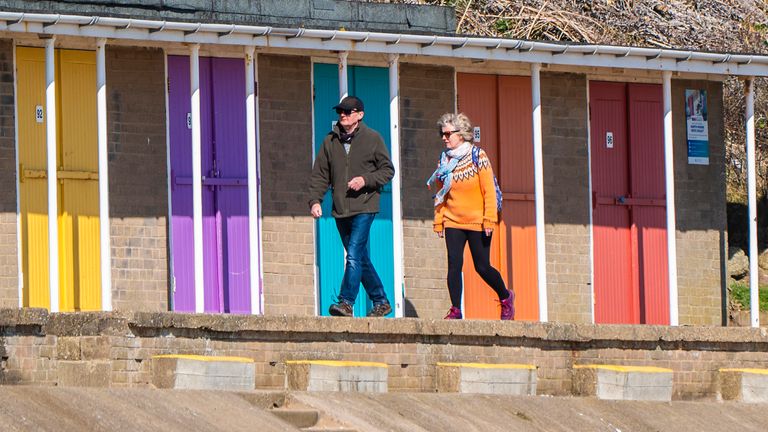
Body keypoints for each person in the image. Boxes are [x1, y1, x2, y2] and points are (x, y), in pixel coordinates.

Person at [308, 96, 395, 318]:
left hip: (365, 207)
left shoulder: (373, 138)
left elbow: (388, 170)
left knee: (353, 255)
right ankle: (381, 301)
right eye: (340, 112)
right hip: (340, 209)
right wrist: (316, 200)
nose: (343, 115)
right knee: (360, 258)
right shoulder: (330, 141)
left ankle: (346, 302)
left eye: (348, 111)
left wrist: (365, 180)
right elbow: (320, 174)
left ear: (360, 115)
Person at [427, 113, 515, 321]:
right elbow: (441, 194)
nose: (444, 137)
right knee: (454, 264)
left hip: (478, 221)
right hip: (453, 220)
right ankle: (456, 309)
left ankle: (505, 297)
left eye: (448, 133)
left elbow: (488, 191)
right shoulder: (444, 159)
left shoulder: (478, 156)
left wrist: (489, 219)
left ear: (462, 134)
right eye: (442, 133)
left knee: (482, 266)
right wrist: (439, 221)